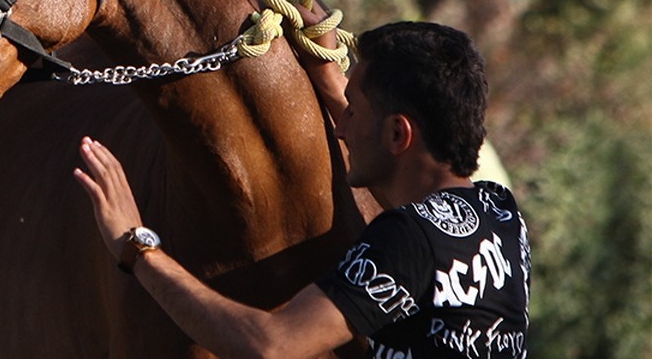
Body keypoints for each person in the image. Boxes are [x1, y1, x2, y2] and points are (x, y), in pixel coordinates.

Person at [74, 19, 530, 359]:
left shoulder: (404, 238)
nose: (341, 128)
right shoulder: (501, 214)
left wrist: (136, 247)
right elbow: (419, 222)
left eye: (354, 111)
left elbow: (271, 345)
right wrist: (332, 80)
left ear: (397, 135)